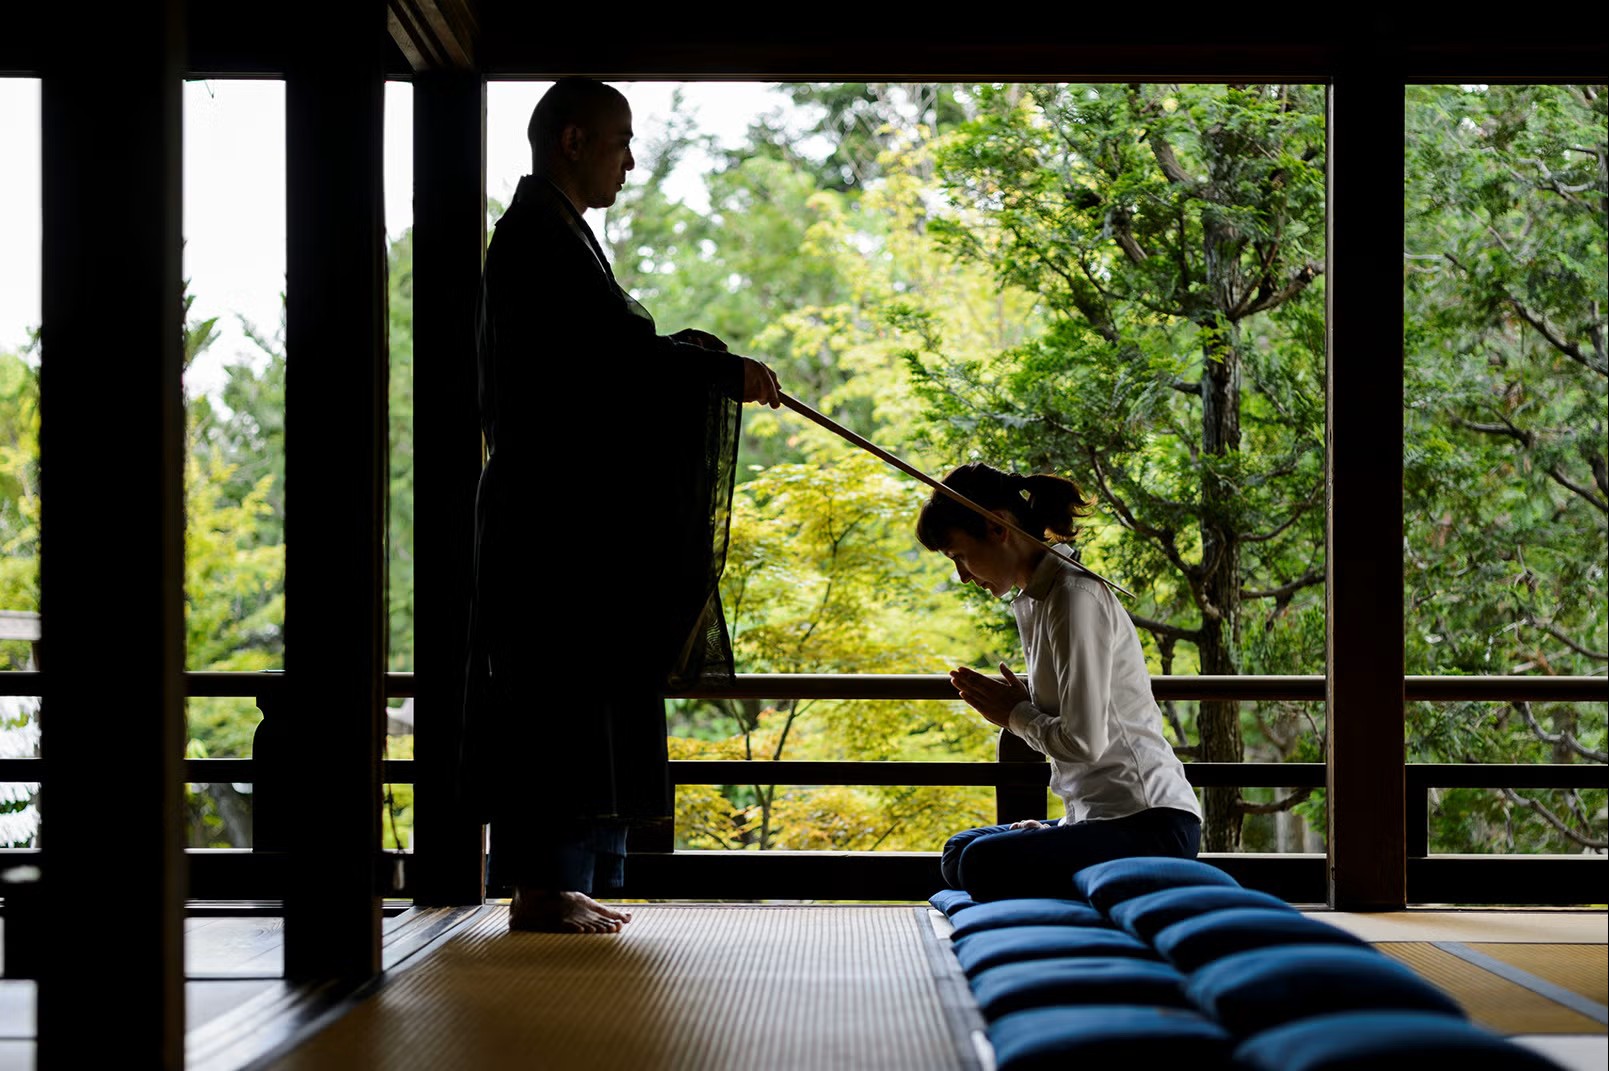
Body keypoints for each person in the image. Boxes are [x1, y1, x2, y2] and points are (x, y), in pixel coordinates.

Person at [460, 77, 782, 934]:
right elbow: (612, 359)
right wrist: (717, 369)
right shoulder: (535, 240)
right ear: (573, 141)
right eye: (620, 141)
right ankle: (538, 886)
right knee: (553, 695)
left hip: (565, 520)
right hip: (545, 523)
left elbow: (619, 358)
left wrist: (705, 360)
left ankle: (556, 880)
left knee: (581, 690)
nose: (630, 162)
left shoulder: (557, 237)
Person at [915, 462, 1201, 902]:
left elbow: (1084, 743)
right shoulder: (1036, 601)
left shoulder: (1074, 597)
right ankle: (1071, 858)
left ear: (998, 527)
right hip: (1096, 818)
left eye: (958, 555)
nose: (963, 576)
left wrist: (1014, 714)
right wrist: (1062, 826)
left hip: (1151, 824)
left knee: (978, 863)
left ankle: (1086, 875)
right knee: (959, 852)